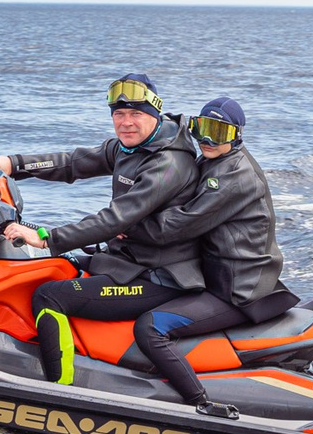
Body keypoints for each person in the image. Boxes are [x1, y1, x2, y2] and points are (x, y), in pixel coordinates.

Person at [0, 74, 203, 385]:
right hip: (128, 262)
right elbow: (73, 163)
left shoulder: (168, 164)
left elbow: (114, 220)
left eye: (136, 114)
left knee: (49, 296)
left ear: (155, 114)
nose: (126, 123)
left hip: (160, 277)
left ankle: (60, 389)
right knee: (47, 268)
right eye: (119, 114)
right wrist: (15, 164)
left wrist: (46, 237)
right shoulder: (130, 147)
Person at [127, 98, 299, 415]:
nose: (207, 140)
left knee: (151, 326)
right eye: (202, 129)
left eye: (218, 132)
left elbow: (182, 223)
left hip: (236, 289)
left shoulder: (233, 175)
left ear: (236, 136)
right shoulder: (215, 160)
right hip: (215, 275)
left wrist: (124, 226)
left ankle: (201, 402)